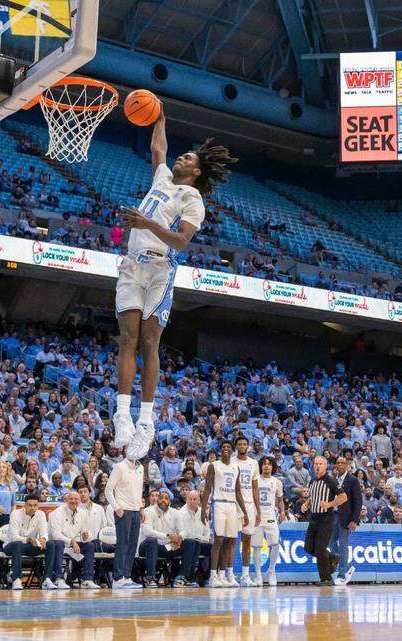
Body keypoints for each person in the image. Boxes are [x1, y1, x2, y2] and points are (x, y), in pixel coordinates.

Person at [112, 108, 236, 461]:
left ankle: (146, 422)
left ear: (196, 172)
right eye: (182, 154)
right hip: (132, 265)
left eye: (188, 158)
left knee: (149, 344)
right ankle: (123, 415)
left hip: (160, 270)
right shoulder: (162, 178)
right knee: (127, 339)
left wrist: (146, 222)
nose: (180, 157)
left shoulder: (193, 199)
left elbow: (182, 242)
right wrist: (160, 115)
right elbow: (158, 150)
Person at [202, 440, 247, 588]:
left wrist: (245, 512)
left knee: (230, 541)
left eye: (228, 447)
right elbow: (207, 488)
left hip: (232, 505)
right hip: (219, 503)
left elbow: (238, 492)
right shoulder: (213, 466)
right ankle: (213, 576)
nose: (226, 448)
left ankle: (223, 575)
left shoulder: (236, 467)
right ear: (220, 451)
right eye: (223, 447)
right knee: (218, 540)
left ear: (232, 450)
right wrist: (204, 509)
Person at [301, 456, 346, 586]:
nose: (318, 466)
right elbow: (312, 497)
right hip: (313, 517)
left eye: (320, 463)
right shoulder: (312, 481)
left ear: (326, 466)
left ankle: (326, 579)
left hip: (326, 518)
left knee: (320, 549)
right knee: (308, 547)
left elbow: (343, 497)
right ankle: (332, 557)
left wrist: (329, 504)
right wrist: (306, 504)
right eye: (316, 463)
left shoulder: (331, 481)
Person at [106, 454, 144, 589]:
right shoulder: (119, 467)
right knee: (123, 543)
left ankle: (127, 577)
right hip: (123, 510)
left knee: (133, 544)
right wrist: (116, 507)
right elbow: (108, 490)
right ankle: (117, 578)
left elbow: (139, 491)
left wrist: (141, 508)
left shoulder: (141, 467)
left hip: (135, 510)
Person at [46, 491, 97, 589]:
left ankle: (87, 579)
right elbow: (55, 535)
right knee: (60, 543)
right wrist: (72, 542)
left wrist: (86, 536)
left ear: (80, 501)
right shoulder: (57, 513)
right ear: (66, 500)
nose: (73, 501)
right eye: (71, 499)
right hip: (55, 545)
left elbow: (87, 532)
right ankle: (58, 579)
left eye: (76, 499)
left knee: (89, 545)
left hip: (71, 545)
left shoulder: (82, 513)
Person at [330, 455, 363, 586]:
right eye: (338, 463)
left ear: (347, 466)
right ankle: (347, 566)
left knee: (343, 544)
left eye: (342, 463)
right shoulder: (333, 480)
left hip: (346, 517)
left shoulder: (352, 480)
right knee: (330, 541)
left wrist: (354, 520)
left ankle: (342, 574)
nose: (340, 465)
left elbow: (358, 501)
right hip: (333, 515)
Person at [253, 456, 286, 586]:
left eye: (269, 464)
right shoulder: (255, 480)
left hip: (271, 516)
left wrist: (283, 511)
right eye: (264, 464)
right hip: (257, 516)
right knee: (256, 546)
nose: (266, 466)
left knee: (275, 544)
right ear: (260, 466)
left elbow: (280, 500)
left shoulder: (277, 482)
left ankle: (271, 571)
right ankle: (258, 574)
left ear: (273, 466)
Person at [139, 490, 182, 588]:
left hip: (167, 547)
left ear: (170, 501)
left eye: (166, 498)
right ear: (157, 500)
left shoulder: (175, 513)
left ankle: (181, 578)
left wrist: (179, 538)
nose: (163, 500)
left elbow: (183, 530)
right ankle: (150, 578)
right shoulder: (147, 511)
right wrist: (168, 536)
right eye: (161, 498)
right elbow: (147, 531)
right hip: (146, 547)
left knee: (190, 543)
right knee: (152, 540)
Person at [233, 436, 261, 586]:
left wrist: (258, 509)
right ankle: (228, 574)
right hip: (233, 504)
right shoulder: (231, 461)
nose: (242, 446)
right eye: (240, 444)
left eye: (245, 444)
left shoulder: (253, 463)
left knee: (246, 541)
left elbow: (255, 487)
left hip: (249, 504)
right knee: (230, 541)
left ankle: (245, 575)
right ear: (236, 446)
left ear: (248, 447)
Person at [5, 494, 48, 590]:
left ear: (38, 506)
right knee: (17, 544)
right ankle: (16, 579)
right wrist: (28, 539)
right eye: (30, 505)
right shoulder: (15, 514)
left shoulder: (41, 514)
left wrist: (43, 539)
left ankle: (47, 579)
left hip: (28, 546)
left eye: (35, 505)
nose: (32, 508)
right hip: (11, 546)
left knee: (51, 545)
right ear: (24, 505)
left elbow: (44, 532)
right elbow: (14, 537)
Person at [174, 489, 211, 587]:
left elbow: (207, 531)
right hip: (184, 544)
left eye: (195, 499)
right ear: (186, 500)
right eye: (190, 499)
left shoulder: (202, 513)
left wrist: (207, 540)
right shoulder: (180, 513)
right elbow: (185, 534)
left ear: (199, 500)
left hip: (200, 543)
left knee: (214, 548)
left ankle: (210, 577)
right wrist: (202, 538)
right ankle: (183, 577)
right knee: (192, 543)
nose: (192, 501)